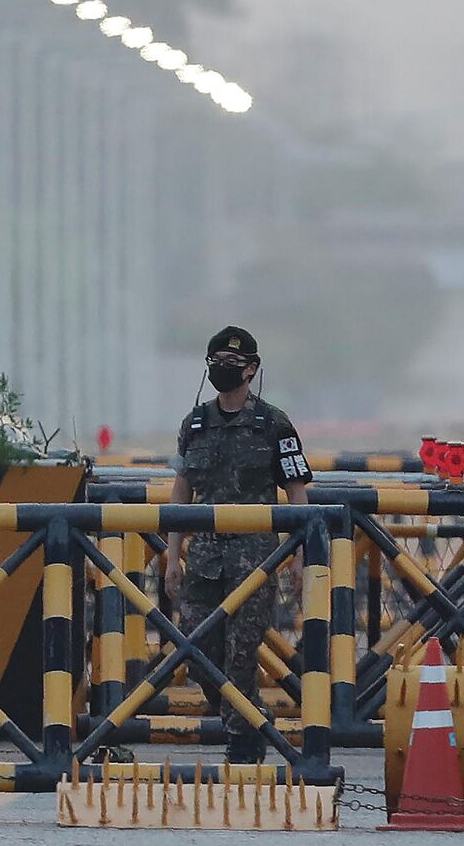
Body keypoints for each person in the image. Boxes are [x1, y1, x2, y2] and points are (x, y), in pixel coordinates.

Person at [163, 326, 312, 764]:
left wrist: (299, 558)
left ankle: (244, 742)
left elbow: (297, 492)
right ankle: (249, 722)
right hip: (204, 558)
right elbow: (181, 491)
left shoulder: (274, 424)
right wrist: (173, 557)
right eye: (215, 365)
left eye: (231, 365)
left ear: (251, 370)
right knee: (197, 654)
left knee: (241, 655)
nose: (222, 372)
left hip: (255, 559)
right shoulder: (193, 424)